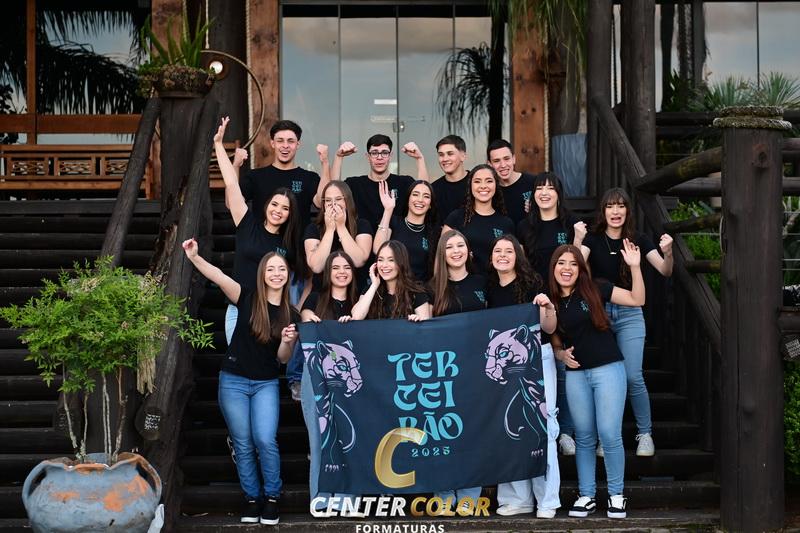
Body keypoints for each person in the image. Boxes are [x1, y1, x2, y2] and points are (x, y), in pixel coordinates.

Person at [182, 239, 298, 526]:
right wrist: (194, 257)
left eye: (281, 269)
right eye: (270, 269)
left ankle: (272, 497)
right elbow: (219, 276)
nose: (276, 274)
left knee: (265, 439)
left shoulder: (290, 313)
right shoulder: (247, 297)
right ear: (262, 274)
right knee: (243, 443)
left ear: (287, 275)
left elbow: (283, 359)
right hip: (233, 380)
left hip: (266, 383)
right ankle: (252, 498)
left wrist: (287, 341)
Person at [549, 242, 645, 519]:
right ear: (553, 268)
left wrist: (635, 267)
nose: (567, 269)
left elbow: (637, 299)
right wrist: (560, 355)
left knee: (609, 433)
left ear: (581, 269)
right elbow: (554, 341)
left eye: (573, 264)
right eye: (561, 263)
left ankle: (616, 495)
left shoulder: (595, 288)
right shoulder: (551, 301)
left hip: (608, 369)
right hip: (577, 374)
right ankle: (587, 495)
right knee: (584, 436)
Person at [580, 187, 673, 457]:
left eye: (621, 206)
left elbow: (665, 270)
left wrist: (668, 252)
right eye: (610, 206)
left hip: (630, 313)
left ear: (628, 211)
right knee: (605, 377)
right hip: (600, 313)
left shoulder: (638, 239)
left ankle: (645, 433)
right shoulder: (593, 239)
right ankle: (606, 436)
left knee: (632, 376)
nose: (616, 211)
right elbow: (573, 264)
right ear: (603, 211)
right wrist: (577, 239)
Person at [486, 235, 560, 518]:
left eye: (509, 251)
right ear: (491, 257)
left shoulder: (533, 284)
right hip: (502, 369)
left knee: (543, 426)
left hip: (537, 362)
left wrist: (547, 307)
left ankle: (547, 500)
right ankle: (517, 499)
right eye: (497, 251)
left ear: (518, 256)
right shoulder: (489, 289)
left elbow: (549, 328)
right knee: (508, 427)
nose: (502, 255)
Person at [214, 117, 303, 345]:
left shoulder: (288, 245)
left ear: (290, 214)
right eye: (274, 204)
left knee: (268, 361)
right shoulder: (248, 225)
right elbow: (232, 185)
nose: (278, 211)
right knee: (236, 359)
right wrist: (219, 145)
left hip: (272, 315)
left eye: (285, 208)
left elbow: (303, 279)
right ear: (266, 206)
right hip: (239, 309)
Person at [515, 172, 586, 456]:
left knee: (567, 366)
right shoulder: (525, 225)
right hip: (536, 304)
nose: (544, 192)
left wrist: (578, 238)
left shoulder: (570, 223)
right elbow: (521, 265)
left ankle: (567, 431)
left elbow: (578, 264)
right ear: (533, 195)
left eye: (550, 188)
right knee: (544, 367)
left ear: (559, 193)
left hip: (566, 300)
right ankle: (544, 429)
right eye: (539, 188)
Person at [299, 252, 362, 517]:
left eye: (347, 267)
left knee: (350, 439)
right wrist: (310, 319)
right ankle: (321, 497)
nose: (341, 272)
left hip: (350, 380)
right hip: (315, 378)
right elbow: (304, 316)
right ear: (328, 272)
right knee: (319, 438)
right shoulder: (316, 299)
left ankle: (348, 498)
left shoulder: (359, 301)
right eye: (335, 267)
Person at [428, 229, 486, 509]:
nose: (456, 251)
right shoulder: (431, 288)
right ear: (442, 253)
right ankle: (444, 494)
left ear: (468, 250)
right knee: (442, 433)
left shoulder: (482, 282)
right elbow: (424, 330)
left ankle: (469, 495)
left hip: (475, 369)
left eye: (460, 245)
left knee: (472, 432)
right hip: (442, 372)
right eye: (449, 247)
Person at [239, 119, 328, 229]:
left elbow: (321, 203)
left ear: (298, 144)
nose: (285, 145)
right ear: (273, 143)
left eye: (290, 141)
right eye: (280, 141)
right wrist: (235, 165)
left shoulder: (309, 177)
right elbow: (231, 204)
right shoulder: (255, 176)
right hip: (262, 239)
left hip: (298, 239)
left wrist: (325, 162)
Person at [332, 134, 429, 230]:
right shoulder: (354, 184)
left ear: (390, 155)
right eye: (374, 153)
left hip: (398, 239)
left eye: (384, 153)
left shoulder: (404, 182)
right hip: (362, 238)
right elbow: (332, 191)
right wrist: (338, 157)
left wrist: (419, 158)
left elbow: (425, 190)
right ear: (368, 156)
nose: (379, 157)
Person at [442, 164, 514, 274]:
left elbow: (515, 261)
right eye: (477, 181)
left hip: (496, 283)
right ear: (470, 186)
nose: (483, 186)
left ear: (496, 185)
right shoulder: (456, 218)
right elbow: (441, 256)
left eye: (489, 181)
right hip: (464, 283)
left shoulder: (506, 223)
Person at [304, 181, 373, 288]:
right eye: (328, 200)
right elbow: (317, 267)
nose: (333, 204)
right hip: (322, 291)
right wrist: (329, 230)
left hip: (355, 291)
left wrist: (341, 227)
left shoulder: (362, 225)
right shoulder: (313, 228)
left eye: (338, 199)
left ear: (347, 201)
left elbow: (358, 261)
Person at [373, 179, 440, 281]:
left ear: (430, 204)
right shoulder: (393, 222)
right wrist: (388, 210)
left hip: (419, 288)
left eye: (426, 196)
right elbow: (378, 249)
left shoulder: (433, 232)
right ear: (408, 199)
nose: (420, 200)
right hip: (392, 286)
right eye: (415, 194)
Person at [350, 240, 431, 321]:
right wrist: (374, 285)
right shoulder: (370, 290)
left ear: (401, 263)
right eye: (380, 260)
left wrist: (417, 320)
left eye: (391, 260)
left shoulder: (416, 292)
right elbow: (356, 317)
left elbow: (425, 325)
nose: (384, 265)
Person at [486, 139, 538, 225]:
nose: (503, 165)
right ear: (490, 164)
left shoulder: (534, 182)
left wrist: (538, 209)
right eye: (496, 161)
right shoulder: (490, 191)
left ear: (514, 159)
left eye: (506, 159)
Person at [431, 135, 468, 220]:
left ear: (463, 156)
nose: (445, 159)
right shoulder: (434, 189)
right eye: (441, 155)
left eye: (450, 154)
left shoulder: (476, 184)